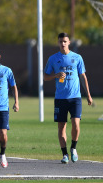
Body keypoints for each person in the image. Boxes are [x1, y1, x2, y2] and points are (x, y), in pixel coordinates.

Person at [44, 32, 93, 164]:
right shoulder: (53, 59)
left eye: (65, 41)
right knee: (62, 127)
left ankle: (73, 148)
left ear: (69, 42)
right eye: (60, 42)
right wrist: (56, 75)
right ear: (58, 43)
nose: (63, 44)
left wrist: (88, 95)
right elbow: (45, 76)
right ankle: (65, 154)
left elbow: (83, 77)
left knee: (76, 124)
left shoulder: (77, 57)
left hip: (75, 97)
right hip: (60, 98)